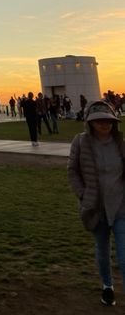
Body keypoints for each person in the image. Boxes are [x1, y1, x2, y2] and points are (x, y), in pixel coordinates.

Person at [67, 101, 125, 307]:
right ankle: (107, 286)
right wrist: (83, 195)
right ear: (90, 123)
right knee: (102, 251)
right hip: (95, 208)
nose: (104, 124)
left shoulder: (120, 142)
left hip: (120, 206)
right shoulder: (80, 142)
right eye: (99, 121)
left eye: (108, 120)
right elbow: (72, 170)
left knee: (123, 253)